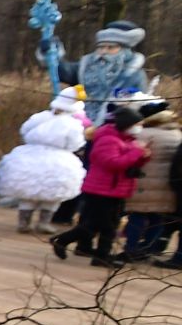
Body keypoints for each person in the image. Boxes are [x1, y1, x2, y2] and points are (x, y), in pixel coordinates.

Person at [51, 103, 148, 266]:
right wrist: (136, 153)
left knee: (108, 224)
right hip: (102, 189)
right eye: (137, 124)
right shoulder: (109, 139)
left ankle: (101, 254)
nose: (139, 128)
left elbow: (129, 162)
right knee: (102, 224)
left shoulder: (127, 140)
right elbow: (112, 163)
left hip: (117, 189)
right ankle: (65, 240)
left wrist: (143, 156)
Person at [0, 87, 88, 234]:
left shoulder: (40, 117)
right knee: (54, 191)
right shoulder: (72, 124)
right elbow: (75, 143)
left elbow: (24, 130)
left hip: (31, 154)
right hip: (60, 158)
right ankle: (43, 222)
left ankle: (24, 222)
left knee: (28, 189)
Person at [124, 100, 181, 260]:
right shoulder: (177, 135)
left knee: (138, 215)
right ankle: (149, 248)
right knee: (157, 218)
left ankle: (132, 247)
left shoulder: (144, 134)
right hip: (167, 185)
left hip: (145, 182)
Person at [77, 22, 149, 124]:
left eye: (110, 47)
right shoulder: (86, 67)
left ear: (124, 51)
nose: (103, 52)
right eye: (101, 47)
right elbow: (66, 71)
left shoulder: (135, 75)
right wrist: (51, 51)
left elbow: (138, 105)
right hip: (80, 122)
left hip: (113, 126)